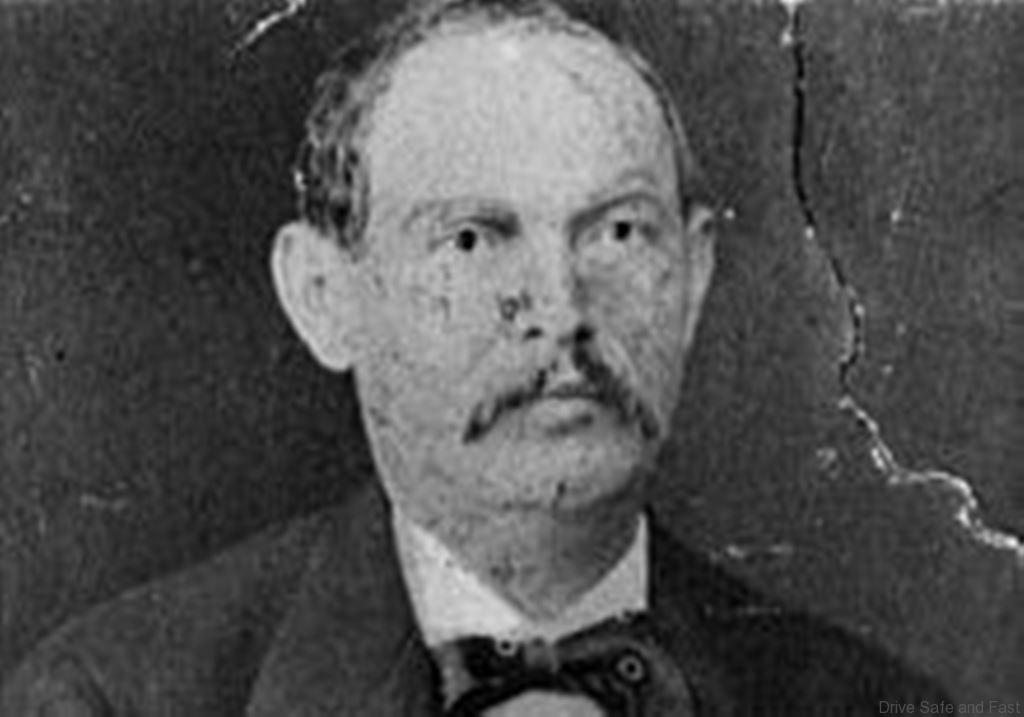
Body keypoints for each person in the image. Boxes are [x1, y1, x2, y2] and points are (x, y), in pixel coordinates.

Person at [1, 1, 948, 715]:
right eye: (470, 239)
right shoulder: (107, 697)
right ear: (324, 296)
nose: (562, 310)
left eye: (619, 231)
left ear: (694, 275)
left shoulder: (875, 704)